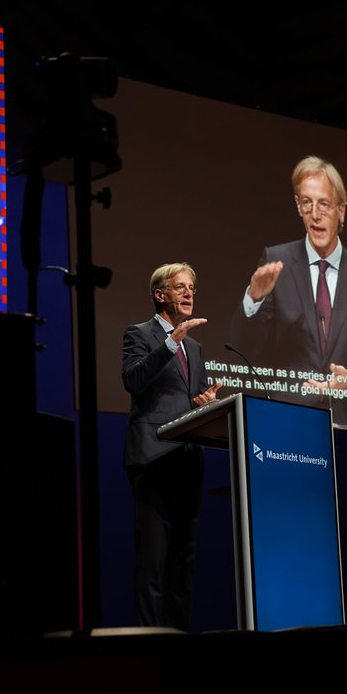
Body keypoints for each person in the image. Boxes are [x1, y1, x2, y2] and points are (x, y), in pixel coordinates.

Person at [230, 154, 347, 428]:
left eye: (324, 204)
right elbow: (245, 351)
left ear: (341, 211)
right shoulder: (276, 263)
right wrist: (253, 300)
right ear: (298, 207)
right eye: (307, 203)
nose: (315, 214)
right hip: (289, 423)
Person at [121, 262, 222, 631]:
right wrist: (169, 342)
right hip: (153, 458)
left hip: (187, 460)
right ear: (159, 294)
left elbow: (188, 398)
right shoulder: (140, 334)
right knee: (152, 562)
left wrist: (203, 403)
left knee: (184, 563)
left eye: (192, 288)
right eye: (180, 287)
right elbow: (134, 380)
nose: (189, 293)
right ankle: (149, 640)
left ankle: (179, 636)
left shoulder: (195, 348)